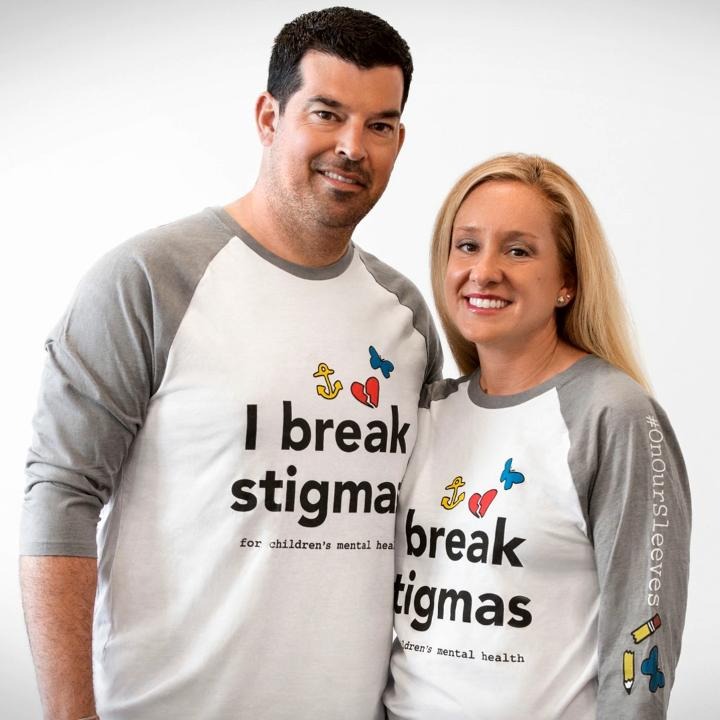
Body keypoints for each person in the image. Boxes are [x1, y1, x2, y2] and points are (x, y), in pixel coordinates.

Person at [19, 8, 442, 720]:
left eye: (380, 125)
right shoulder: (148, 281)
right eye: (327, 113)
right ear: (268, 116)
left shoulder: (404, 313)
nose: (352, 146)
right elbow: (60, 498)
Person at [384, 154, 690, 719]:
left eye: (518, 250)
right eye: (467, 245)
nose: (484, 271)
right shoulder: (426, 409)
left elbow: (642, 634)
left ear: (567, 283)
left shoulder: (612, 414)